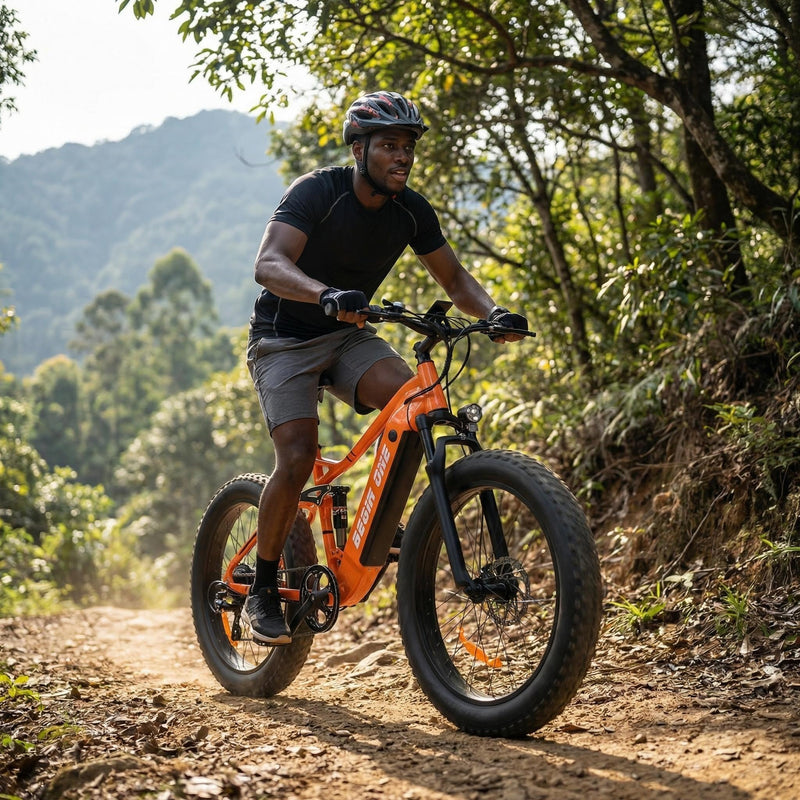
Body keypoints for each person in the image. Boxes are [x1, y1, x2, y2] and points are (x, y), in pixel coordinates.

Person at [244, 90, 528, 644]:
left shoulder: (410, 211)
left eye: (408, 147)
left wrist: (493, 313)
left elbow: (455, 279)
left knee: (415, 405)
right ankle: (262, 587)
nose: (402, 157)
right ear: (359, 149)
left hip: (346, 336)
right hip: (283, 340)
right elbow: (269, 263)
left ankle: (382, 521)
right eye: (389, 145)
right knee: (297, 457)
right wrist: (324, 294)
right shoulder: (317, 192)